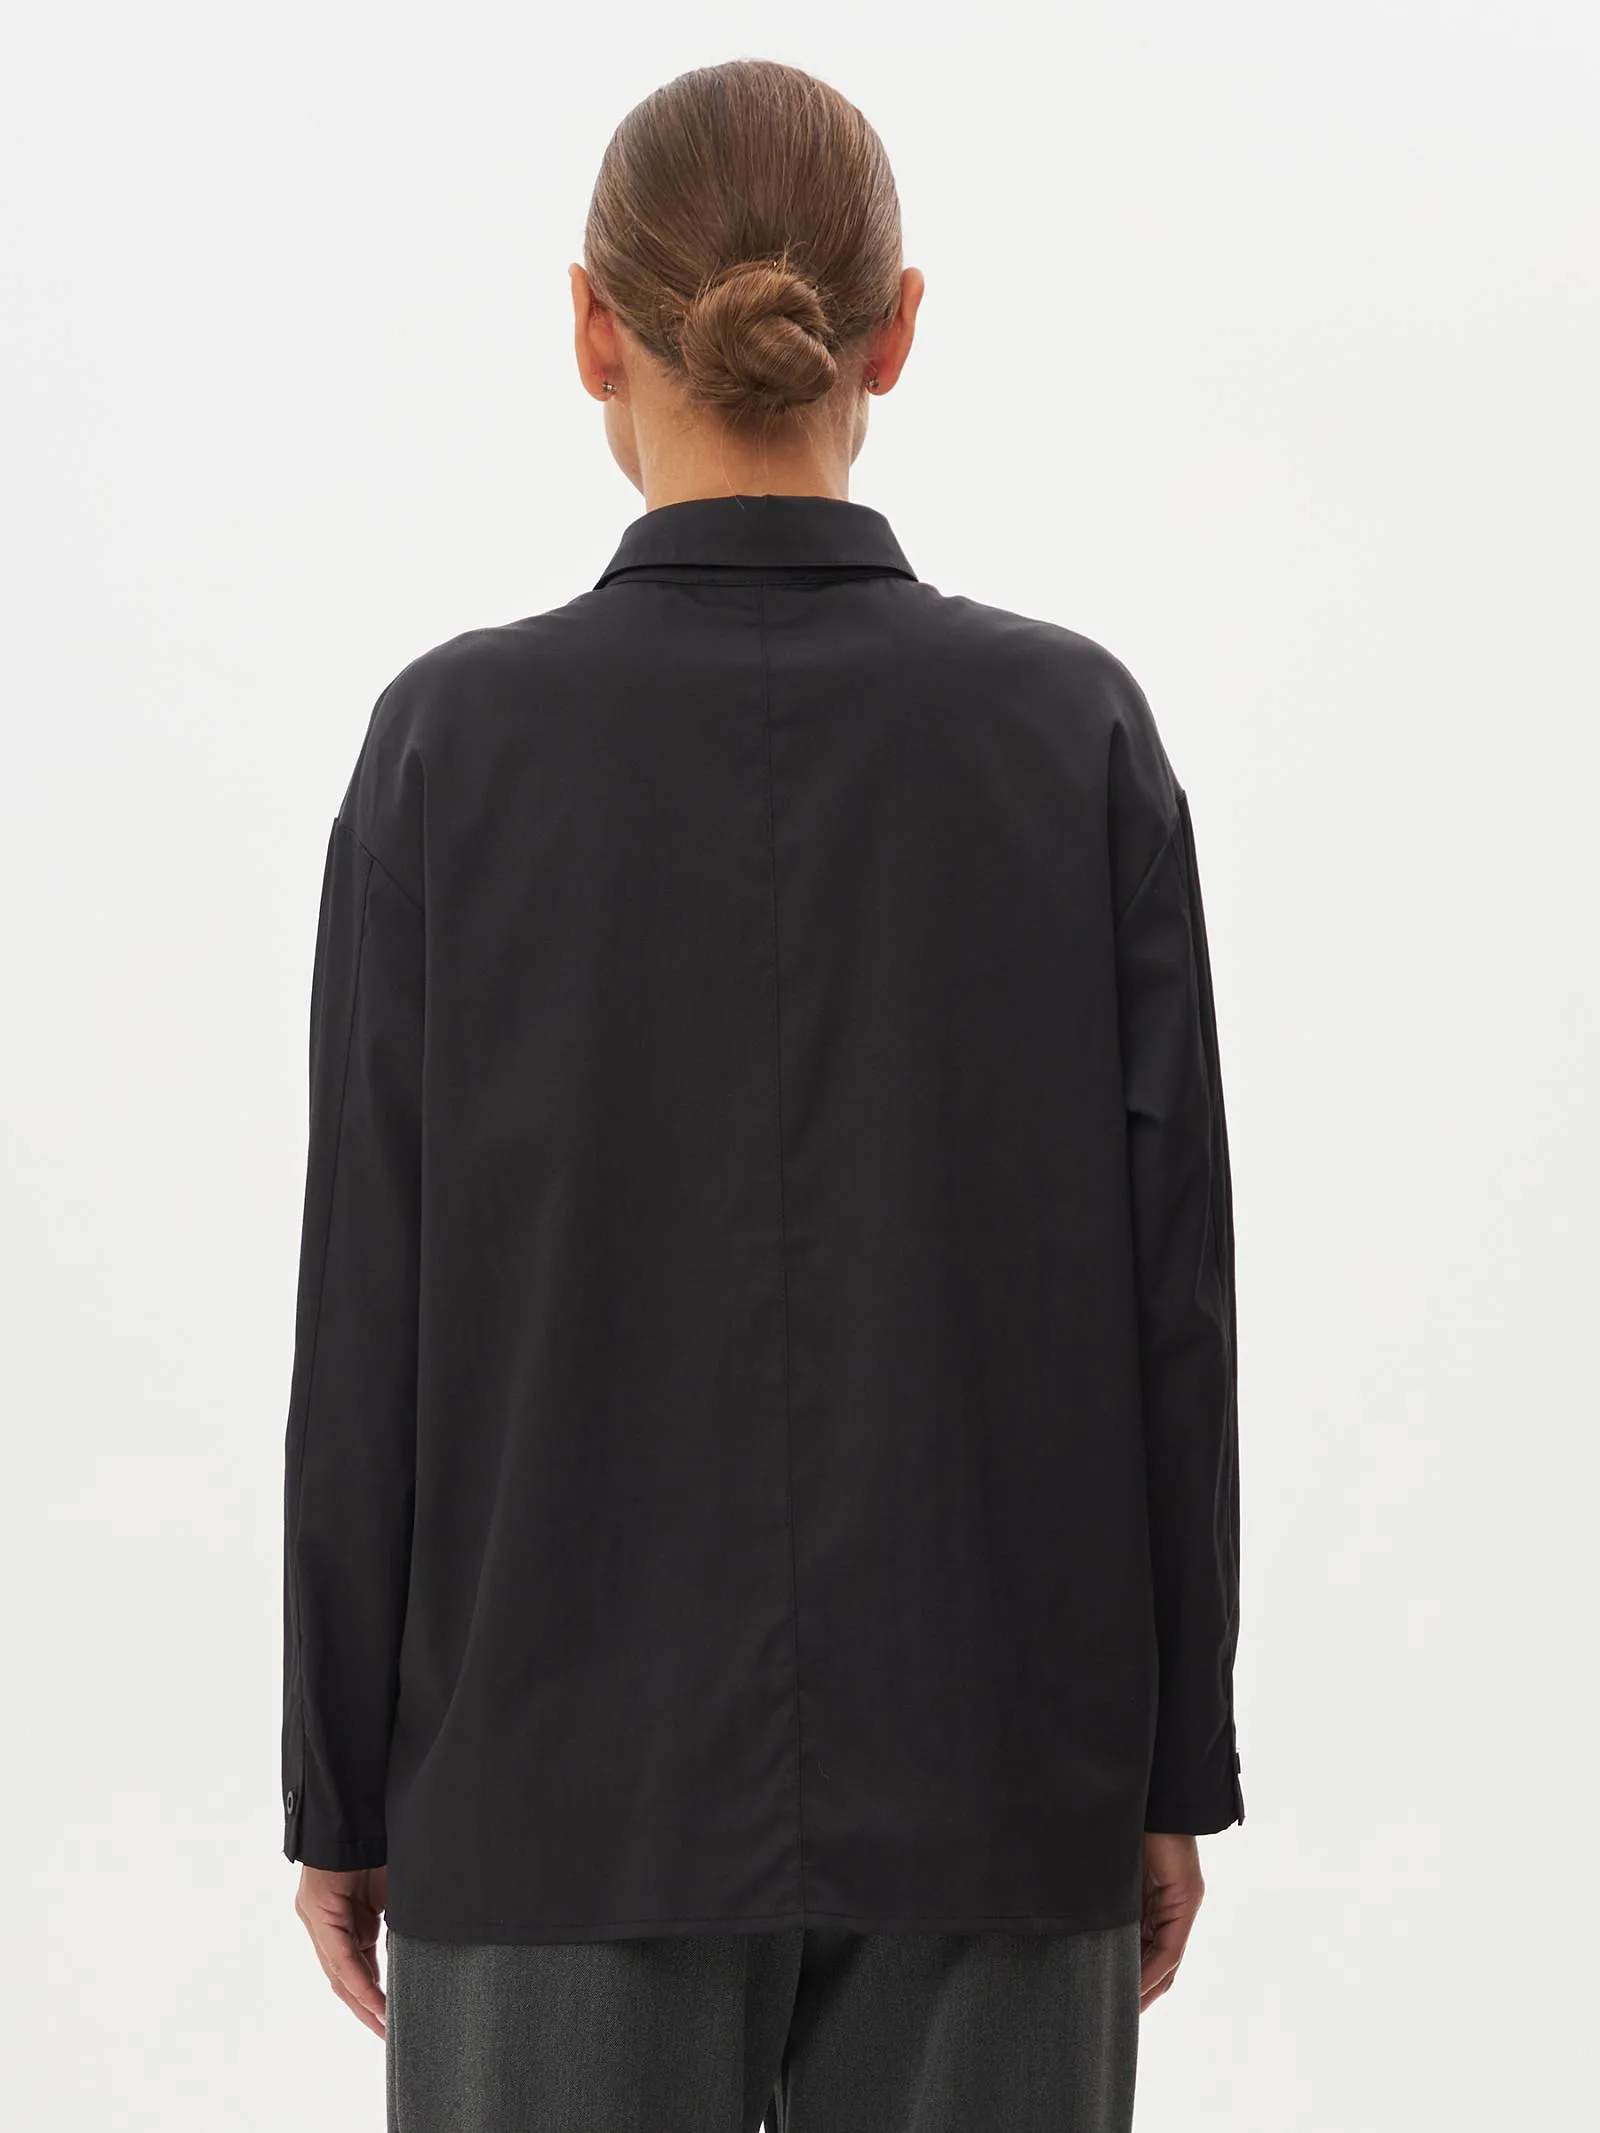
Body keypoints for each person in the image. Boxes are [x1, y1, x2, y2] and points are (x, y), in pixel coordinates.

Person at [280, 55, 1244, 2133]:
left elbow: (369, 1311)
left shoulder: (450, 749)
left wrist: (342, 1785)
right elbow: (1173, 1302)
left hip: (547, 1800)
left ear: (588, 330)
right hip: (1001, 1780)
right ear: (896, 330)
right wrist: (1172, 1763)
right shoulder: (1068, 735)